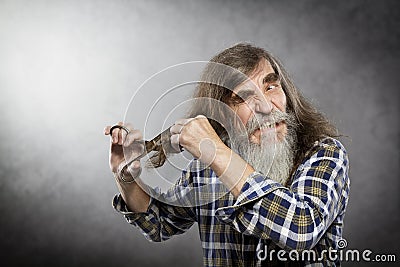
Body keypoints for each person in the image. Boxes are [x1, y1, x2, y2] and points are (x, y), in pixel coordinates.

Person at [104, 43, 350, 266]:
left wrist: (217, 154)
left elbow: (301, 229)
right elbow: (159, 224)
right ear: (221, 113)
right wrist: (125, 175)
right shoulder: (206, 166)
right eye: (243, 97)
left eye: (271, 86)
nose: (266, 107)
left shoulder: (324, 153)